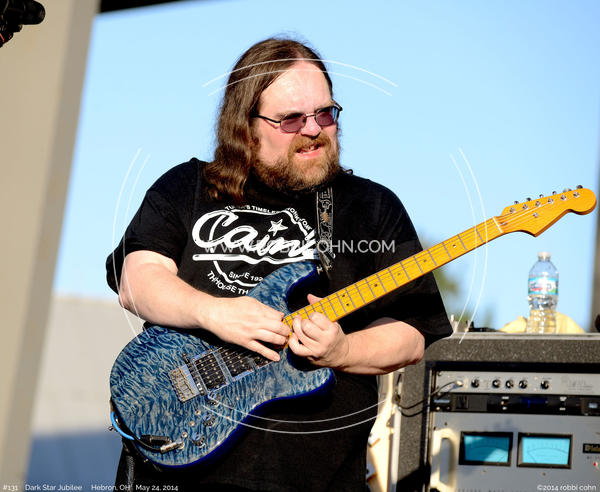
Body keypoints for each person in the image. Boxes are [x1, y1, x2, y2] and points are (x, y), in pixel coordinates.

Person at [106, 37, 452, 492]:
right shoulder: (188, 186)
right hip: (175, 464)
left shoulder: (373, 206)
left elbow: (412, 334)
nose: (313, 129)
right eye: (291, 119)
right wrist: (215, 313)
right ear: (246, 126)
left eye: (325, 114)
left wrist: (343, 351)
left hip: (315, 479)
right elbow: (136, 280)